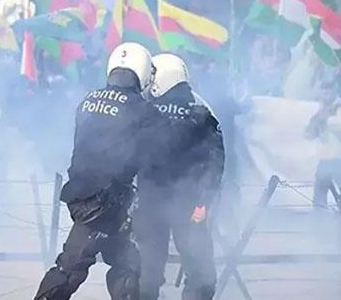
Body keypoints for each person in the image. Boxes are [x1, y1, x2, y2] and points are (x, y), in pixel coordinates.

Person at [33, 43, 212, 300]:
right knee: (69, 270)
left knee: (129, 264)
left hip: (88, 197)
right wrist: (196, 122)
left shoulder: (89, 100)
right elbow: (168, 141)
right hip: (103, 205)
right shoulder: (139, 109)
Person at [134, 53, 225, 300]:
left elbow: (129, 155)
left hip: (149, 201)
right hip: (192, 203)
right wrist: (205, 201)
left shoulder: (143, 110)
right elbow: (216, 161)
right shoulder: (202, 111)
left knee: (147, 270)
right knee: (200, 272)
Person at [309, 81, 341, 214]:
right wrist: (315, 124)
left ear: (334, 92)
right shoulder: (321, 111)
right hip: (324, 159)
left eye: (328, 92)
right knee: (319, 192)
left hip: (340, 159)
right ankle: (319, 218)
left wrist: (325, 119)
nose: (325, 95)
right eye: (323, 92)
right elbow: (310, 134)